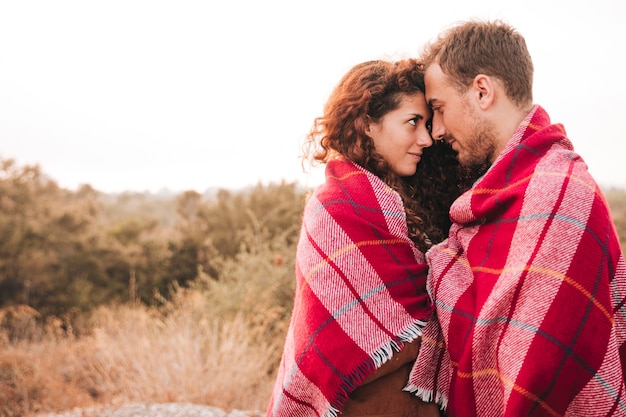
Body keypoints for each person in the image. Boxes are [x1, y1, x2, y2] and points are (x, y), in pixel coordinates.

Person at [405, 19, 626, 417]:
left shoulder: (560, 194)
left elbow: (541, 368)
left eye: (439, 109)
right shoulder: (496, 195)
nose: (436, 130)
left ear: (482, 91)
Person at [266, 58, 477, 417]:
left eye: (427, 124)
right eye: (412, 122)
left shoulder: (414, 202)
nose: (426, 138)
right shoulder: (335, 208)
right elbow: (337, 344)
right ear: (367, 124)